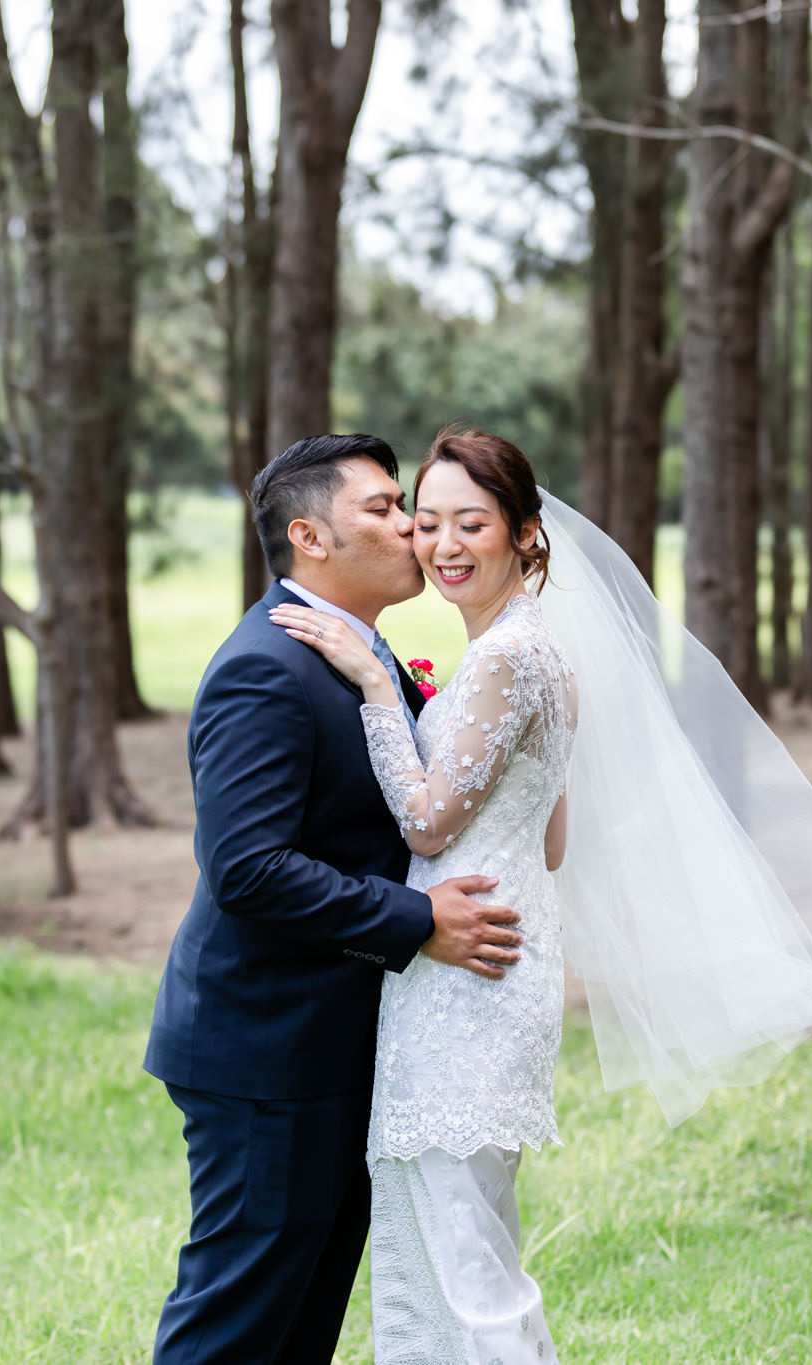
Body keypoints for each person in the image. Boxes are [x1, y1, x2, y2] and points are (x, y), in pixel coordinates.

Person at [272, 425, 812, 1360]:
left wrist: (373, 683)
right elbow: (552, 836)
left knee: (461, 1257)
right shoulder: (539, 654)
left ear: (526, 533)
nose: (441, 543)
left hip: (464, 982)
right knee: (458, 1239)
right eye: (428, 520)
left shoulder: (504, 658)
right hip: (487, 967)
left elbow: (427, 826)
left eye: (471, 523)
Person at [144, 433, 529, 1365]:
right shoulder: (264, 669)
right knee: (238, 1321)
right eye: (387, 508)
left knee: (302, 1320)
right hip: (266, 1052)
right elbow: (248, 867)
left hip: (337, 1040)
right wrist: (419, 921)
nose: (412, 526)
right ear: (310, 537)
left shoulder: (361, 650)